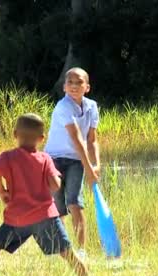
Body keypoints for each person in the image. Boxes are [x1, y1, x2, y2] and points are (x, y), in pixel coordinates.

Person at [0, 113, 97, 276]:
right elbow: (55, 185)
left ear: (15, 134)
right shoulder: (44, 159)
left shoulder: (7, 157)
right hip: (45, 217)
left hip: (17, 219)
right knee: (68, 253)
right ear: (42, 138)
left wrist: (2, 191)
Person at [44, 67, 101, 259]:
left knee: (75, 202)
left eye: (79, 82)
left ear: (87, 87)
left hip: (76, 159)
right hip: (54, 159)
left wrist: (96, 164)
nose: (74, 86)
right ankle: (60, 250)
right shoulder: (63, 107)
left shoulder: (92, 106)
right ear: (64, 87)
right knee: (58, 206)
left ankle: (82, 250)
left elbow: (91, 139)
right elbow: (77, 138)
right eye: (70, 82)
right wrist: (88, 166)